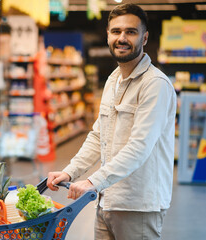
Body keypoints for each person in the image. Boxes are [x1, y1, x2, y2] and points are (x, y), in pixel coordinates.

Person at [47, 3, 176, 240]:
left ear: (144, 37)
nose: (122, 38)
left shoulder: (155, 85)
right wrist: (70, 172)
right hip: (107, 199)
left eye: (131, 32)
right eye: (116, 31)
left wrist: (93, 181)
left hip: (138, 206)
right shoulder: (113, 79)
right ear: (108, 35)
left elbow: (140, 146)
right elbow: (98, 135)